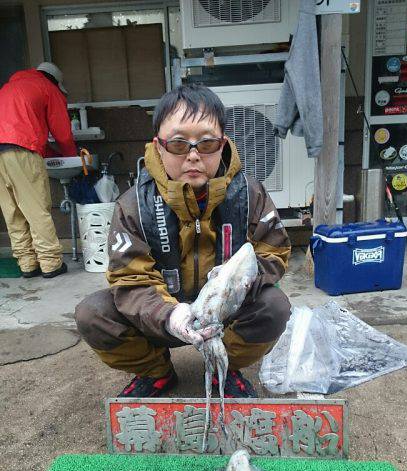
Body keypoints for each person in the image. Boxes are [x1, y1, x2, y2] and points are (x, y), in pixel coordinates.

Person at [75, 84, 291, 398]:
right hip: (161, 319)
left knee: (274, 306)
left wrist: (236, 283)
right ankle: (157, 373)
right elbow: (130, 279)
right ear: (159, 146)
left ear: (223, 143)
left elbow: (274, 250)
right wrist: (172, 316)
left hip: (224, 317)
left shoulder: (251, 193)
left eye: (206, 143)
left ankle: (224, 369)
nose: (192, 155)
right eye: (178, 144)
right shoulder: (133, 205)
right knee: (92, 313)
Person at [0, 62, 77, 278]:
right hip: (21, 150)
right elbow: (62, 133)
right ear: (55, 81)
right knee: (36, 209)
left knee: (12, 212)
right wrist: (71, 155)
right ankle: (51, 264)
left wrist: (49, 153)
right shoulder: (48, 88)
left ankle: (27, 264)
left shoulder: (9, 88)